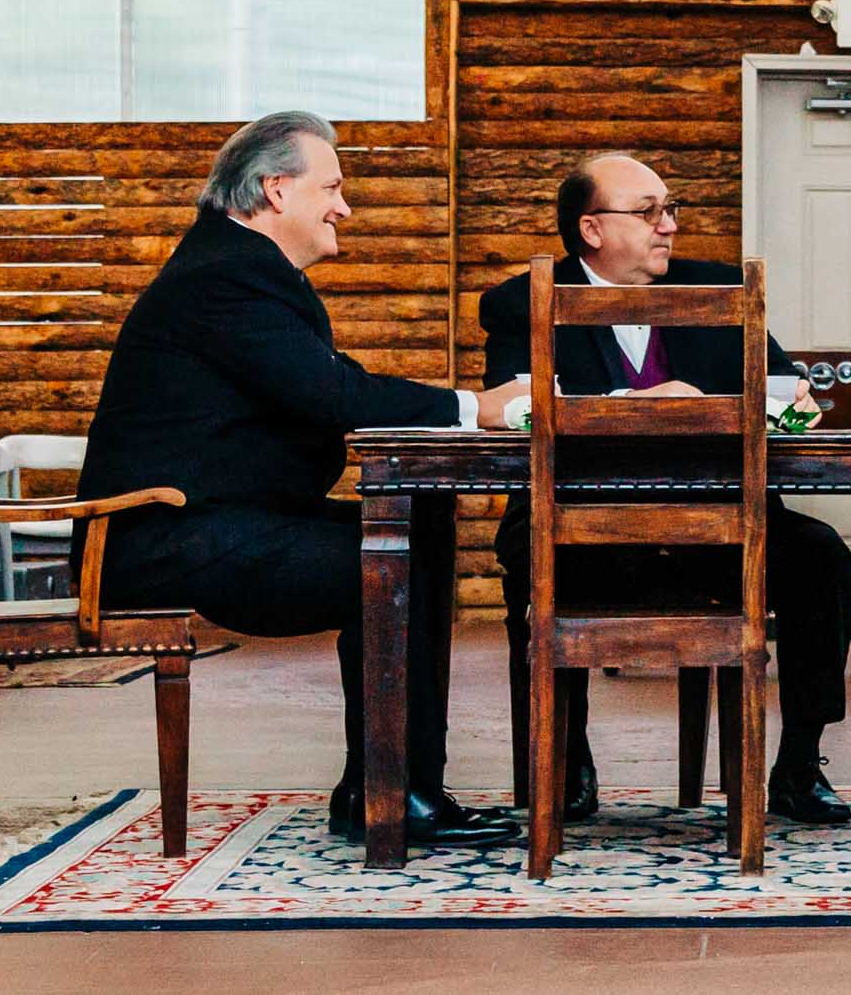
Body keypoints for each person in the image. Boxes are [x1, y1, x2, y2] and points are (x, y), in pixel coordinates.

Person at [79, 111, 530, 849]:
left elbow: (324, 387)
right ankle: (394, 790)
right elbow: (333, 395)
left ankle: (387, 785)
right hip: (165, 534)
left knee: (419, 525)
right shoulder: (225, 273)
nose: (343, 206)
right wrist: (472, 408)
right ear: (276, 188)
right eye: (333, 186)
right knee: (401, 551)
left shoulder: (239, 267)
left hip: (216, 517)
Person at [483, 154, 851, 827]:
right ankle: (563, 760)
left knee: (821, 556)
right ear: (591, 228)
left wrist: (795, 392)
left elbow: (782, 381)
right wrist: (646, 401)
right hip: (579, 522)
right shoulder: (521, 299)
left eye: (672, 208)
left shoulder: (718, 292)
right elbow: (515, 405)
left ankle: (800, 763)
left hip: (717, 524)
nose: (670, 226)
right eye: (650, 211)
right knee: (530, 552)